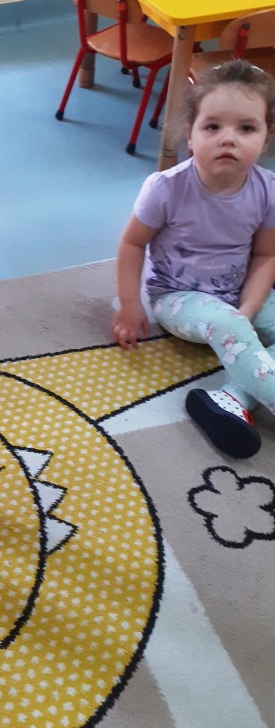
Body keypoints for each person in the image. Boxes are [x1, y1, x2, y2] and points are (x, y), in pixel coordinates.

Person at [113, 58, 275, 459]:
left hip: (238, 294)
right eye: (212, 127)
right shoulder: (166, 188)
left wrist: (248, 310)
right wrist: (131, 305)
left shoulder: (268, 189)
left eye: (246, 128)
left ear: (266, 138)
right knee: (226, 323)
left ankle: (231, 399)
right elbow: (132, 244)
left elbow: (266, 255)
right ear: (190, 134)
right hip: (177, 298)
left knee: (236, 321)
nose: (228, 139)